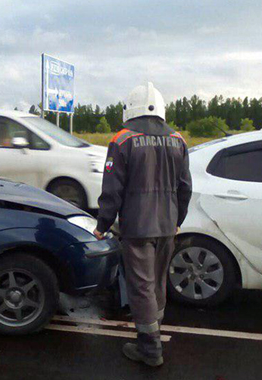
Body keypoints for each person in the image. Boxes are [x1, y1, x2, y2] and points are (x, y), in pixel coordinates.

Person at [93, 82, 192, 367]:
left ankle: (150, 349)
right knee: (157, 282)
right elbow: (185, 187)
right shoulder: (178, 139)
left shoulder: (123, 140)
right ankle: (153, 332)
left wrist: (103, 224)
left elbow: (112, 189)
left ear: (130, 110)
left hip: (137, 227)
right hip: (166, 225)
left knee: (141, 286)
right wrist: (177, 220)